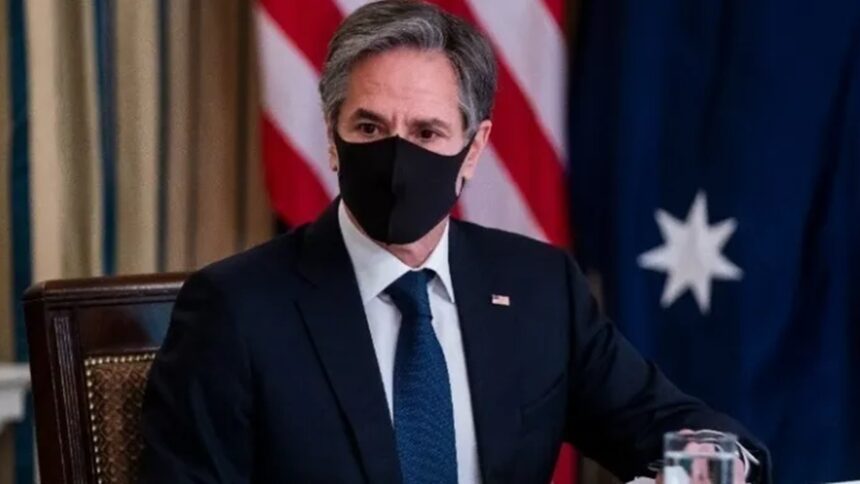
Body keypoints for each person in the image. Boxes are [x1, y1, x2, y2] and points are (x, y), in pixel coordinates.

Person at [138, 1, 770, 483]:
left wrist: (699, 475)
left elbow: (679, 427)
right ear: (331, 138)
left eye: (427, 132)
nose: (397, 158)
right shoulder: (236, 308)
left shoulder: (537, 289)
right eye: (370, 127)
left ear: (473, 149)